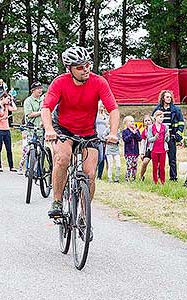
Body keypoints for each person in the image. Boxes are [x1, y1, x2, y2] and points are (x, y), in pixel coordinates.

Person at [41, 46, 119, 217]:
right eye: (79, 67)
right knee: (63, 159)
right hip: (63, 129)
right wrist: (49, 130)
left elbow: (113, 108)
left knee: (90, 173)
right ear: (69, 69)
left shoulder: (99, 82)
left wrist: (113, 133)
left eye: (87, 65)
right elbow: (46, 107)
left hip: (88, 130)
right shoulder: (60, 82)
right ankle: (57, 201)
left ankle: (84, 214)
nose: (85, 70)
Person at [152, 90, 185, 181]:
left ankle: (173, 177)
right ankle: (160, 176)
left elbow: (181, 123)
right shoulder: (157, 110)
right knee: (160, 158)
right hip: (159, 139)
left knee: (172, 159)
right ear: (163, 98)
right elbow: (152, 123)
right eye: (167, 97)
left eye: (170, 97)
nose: (169, 98)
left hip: (171, 137)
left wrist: (178, 134)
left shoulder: (176, 110)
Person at [0, 92, 18, 172]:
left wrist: (12, 100)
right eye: (7, 98)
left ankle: (11, 166)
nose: (8, 100)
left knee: (9, 148)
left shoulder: (7, 106)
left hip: (6, 129)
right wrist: (2, 118)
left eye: (9, 99)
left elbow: (15, 109)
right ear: (3, 98)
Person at [147, 110, 169, 184]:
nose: (162, 119)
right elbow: (149, 139)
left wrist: (166, 137)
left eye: (162, 117)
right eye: (160, 117)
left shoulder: (165, 127)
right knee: (155, 166)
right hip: (154, 149)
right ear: (155, 117)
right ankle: (155, 181)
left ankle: (163, 181)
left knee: (162, 167)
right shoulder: (150, 127)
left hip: (163, 149)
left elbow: (167, 140)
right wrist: (155, 138)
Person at [122, 116, 142, 182]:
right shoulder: (125, 131)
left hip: (135, 152)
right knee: (129, 166)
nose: (132, 122)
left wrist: (135, 133)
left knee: (134, 166)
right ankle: (127, 178)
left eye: (133, 121)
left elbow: (139, 139)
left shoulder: (136, 130)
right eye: (130, 121)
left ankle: (133, 178)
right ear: (126, 123)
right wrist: (131, 134)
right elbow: (125, 140)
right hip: (128, 152)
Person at [95, 101, 108, 179]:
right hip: (96, 138)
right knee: (96, 157)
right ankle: (93, 172)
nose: (102, 105)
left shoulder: (106, 116)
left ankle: (99, 175)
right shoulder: (94, 115)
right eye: (101, 104)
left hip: (103, 139)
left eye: (104, 104)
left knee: (102, 157)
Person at [139, 114, 153, 181]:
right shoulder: (144, 132)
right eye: (145, 121)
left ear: (152, 121)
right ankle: (141, 176)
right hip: (148, 149)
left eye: (149, 120)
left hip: (156, 149)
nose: (147, 122)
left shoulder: (156, 129)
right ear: (144, 123)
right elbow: (143, 143)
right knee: (145, 162)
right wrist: (142, 153)